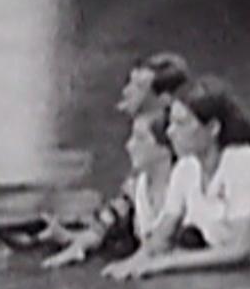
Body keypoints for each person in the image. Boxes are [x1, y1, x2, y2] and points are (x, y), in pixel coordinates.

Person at [104, 76, 250, 281]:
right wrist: (132, 264)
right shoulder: (185, 169)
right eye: (172, 122)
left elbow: (241, 249)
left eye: (182, 123)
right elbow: (161, 237)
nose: (170, 132)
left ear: (213, 128)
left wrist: (168, 264)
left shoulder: (243, 162)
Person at [40, 51, 192, 253]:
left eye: (138, 87)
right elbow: (122, 204)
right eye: (130, 83)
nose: (126, 91)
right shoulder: (142, 158)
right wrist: (79, 237)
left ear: (164, 100)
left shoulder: (182, 158)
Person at [44, 111, 194, 269]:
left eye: (140, 138)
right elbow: (105, 222)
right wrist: (75, 242)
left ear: (164, 148)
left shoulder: (184, 184)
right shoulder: (135, 186)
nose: (129, 145)